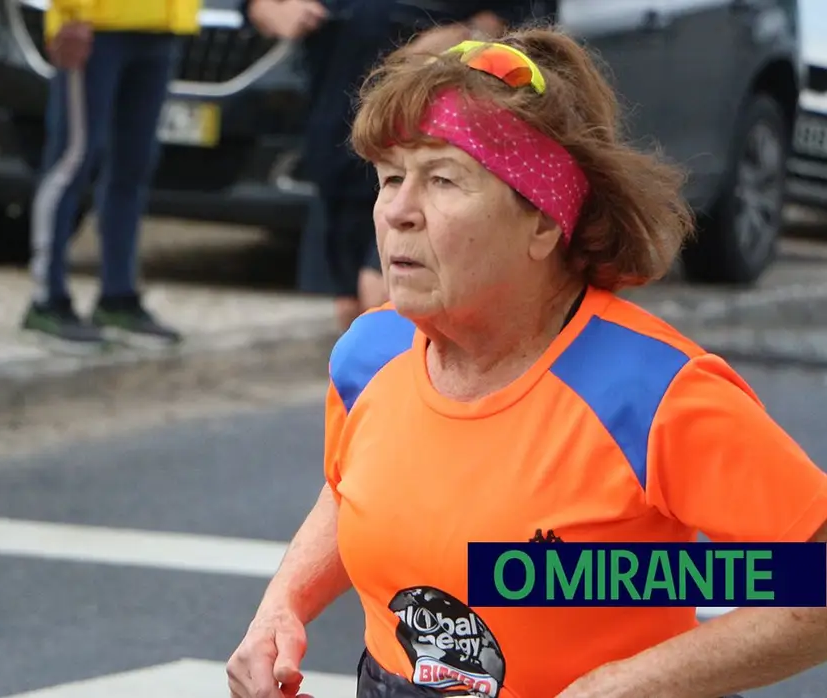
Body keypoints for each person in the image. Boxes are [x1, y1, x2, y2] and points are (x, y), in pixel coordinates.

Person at [226, 30, 827, 698]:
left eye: (442, 179)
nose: (398, 211)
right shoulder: (372, 353)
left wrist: (628, 683)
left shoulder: (652, 394)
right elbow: (352, 490)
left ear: (544, 222)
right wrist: (284, 604)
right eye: (391, 177)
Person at [244, 0, 555, 333]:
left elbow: (532, 17)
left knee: (382, 295)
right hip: (336, 124)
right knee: (351, 309)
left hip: (434, 122)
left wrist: (467, 35)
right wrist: (266, 8)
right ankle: (383, 380)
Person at [21, 0, 200, 350]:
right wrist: (71, 15)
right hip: (95, 24)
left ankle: (118, 295)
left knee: (133, 167)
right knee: (73, 159)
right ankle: (48, 298)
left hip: (161, 24)